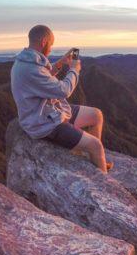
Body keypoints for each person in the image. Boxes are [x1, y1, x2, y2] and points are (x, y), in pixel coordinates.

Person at [10, 25, 112, 173]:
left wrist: (60, 63)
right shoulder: (30, 69)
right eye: (51, 44)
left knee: (96, 115)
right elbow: (64, 90)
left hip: (51, 112)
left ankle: (94, 158)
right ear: (44, 41)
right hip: (44, 124)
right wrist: (74, 69)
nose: (51, 48)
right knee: (96, 145)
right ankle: (105, 183)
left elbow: (44, 75)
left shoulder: (26, 62)